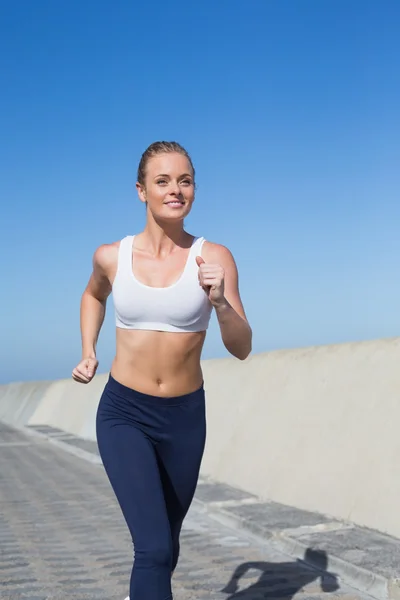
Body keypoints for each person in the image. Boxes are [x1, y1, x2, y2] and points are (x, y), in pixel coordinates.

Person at [72, 141, 252, 600]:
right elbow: (94, 296)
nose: (176, 190)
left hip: (184, 419)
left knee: (166, 547)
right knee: (151, 549)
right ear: (141, 191)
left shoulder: (215, 258)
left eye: (185, 180)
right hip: (124, 412)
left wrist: (220, 303)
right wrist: (89, 349)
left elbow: (242, 347)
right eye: (163, 181)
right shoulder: (112, 256)